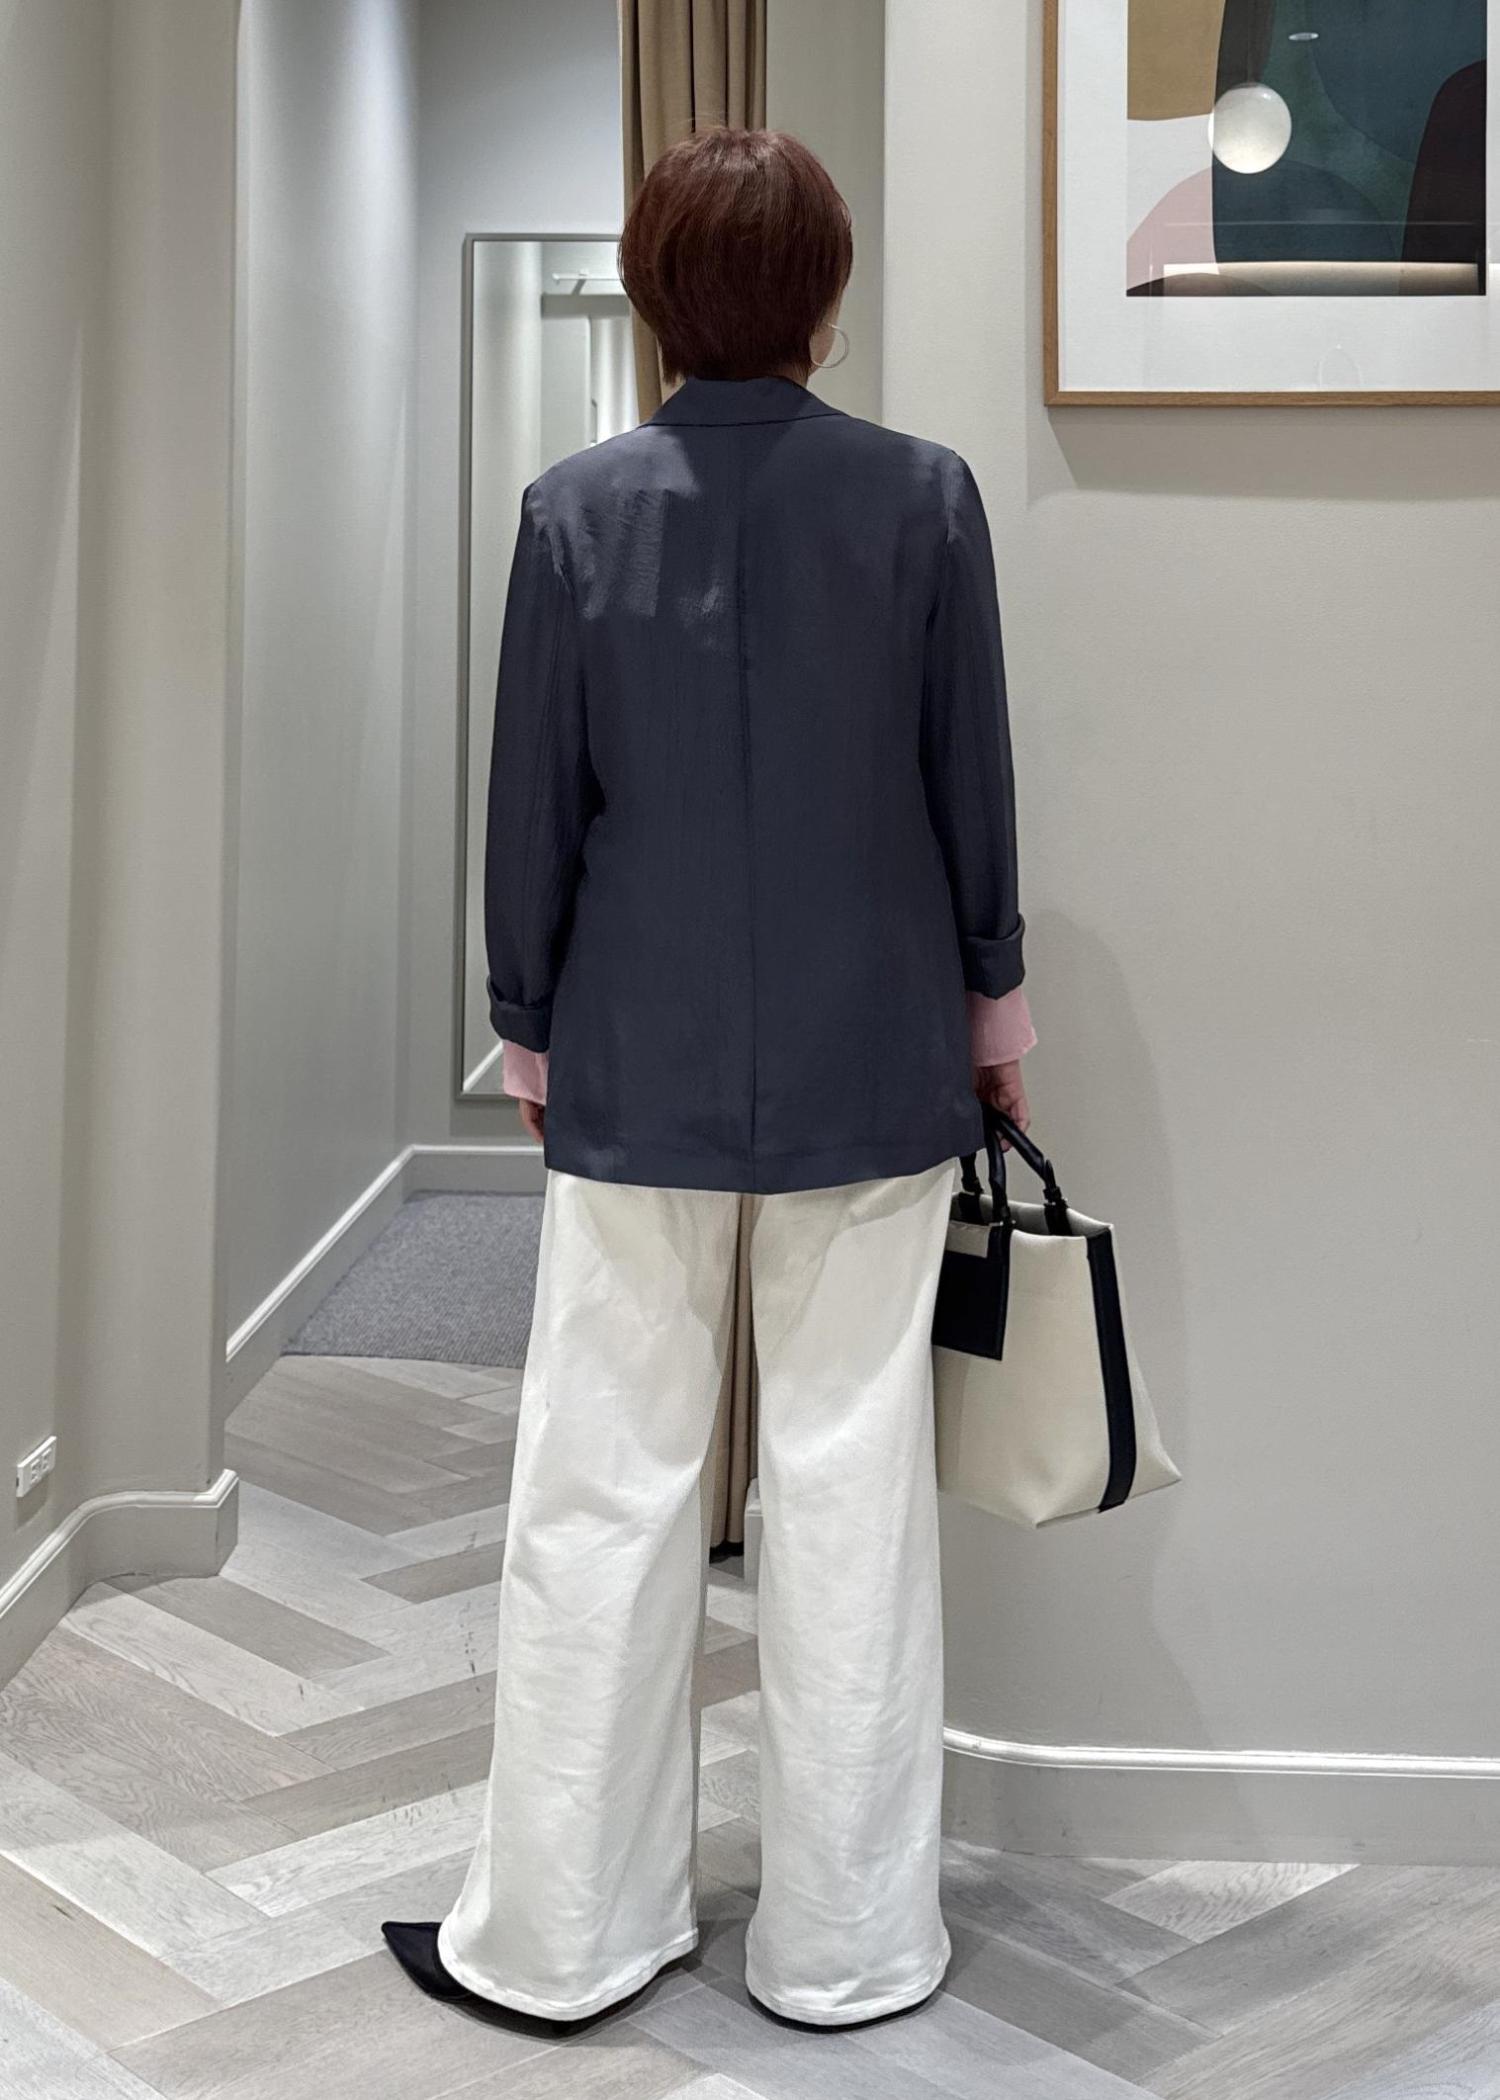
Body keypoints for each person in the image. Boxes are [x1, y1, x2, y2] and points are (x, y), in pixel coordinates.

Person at [383, 125, 1035, 2034]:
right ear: (826, 297)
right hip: (876, 1059)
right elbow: (970, 793)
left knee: (602, 1485)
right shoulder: (925, 500)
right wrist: (994, 1027)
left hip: (636, 1058)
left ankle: (568, 1935)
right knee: (853, 1492)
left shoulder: (573, 511)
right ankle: (847, 1947)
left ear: (655, 295)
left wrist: (529, 1027)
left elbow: (535, 811)